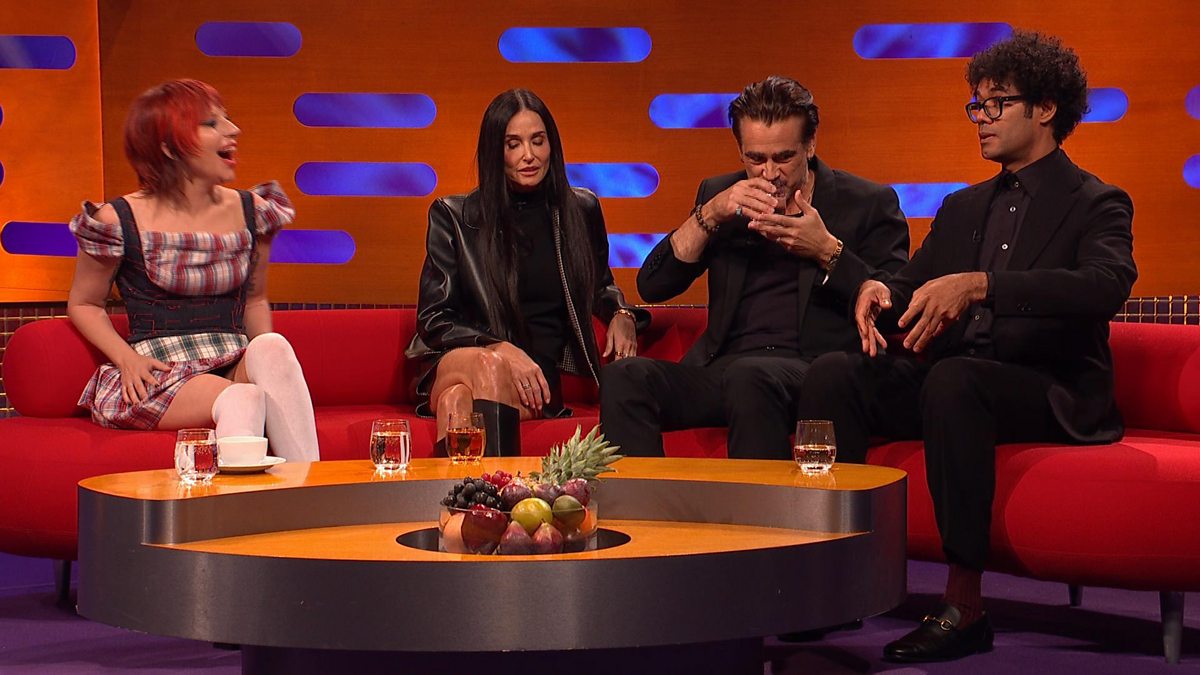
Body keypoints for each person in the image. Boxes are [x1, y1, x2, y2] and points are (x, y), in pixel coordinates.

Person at [798, 31, 1137, 662]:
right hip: (955, 379)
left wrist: (983, 286)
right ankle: (830, 576)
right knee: (834, 373)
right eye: (976, 104)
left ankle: (964, 606)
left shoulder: (1096, 201)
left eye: (996, 103)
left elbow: (1105, 284)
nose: (980, 117)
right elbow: (910, 284)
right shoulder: (962, 206)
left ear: (1046, 108)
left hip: (1046, 385)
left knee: (956, 381)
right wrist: (876, 290)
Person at [600, 76, 910, 459]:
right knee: (624, 378)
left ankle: (762, 502)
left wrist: (827, 250)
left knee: (751, 376)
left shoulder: (866, 202)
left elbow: (895, 306)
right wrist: (711, 214)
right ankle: (641, 501)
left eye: (784, 157)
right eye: (756, 159)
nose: (769, 173)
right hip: (722, 370)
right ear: (740, 151)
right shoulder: (722, 197)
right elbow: (653, 284)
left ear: (811, 145)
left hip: (812, 373)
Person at [67, 79, 319, 462]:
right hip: (161, 369)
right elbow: (85, 304)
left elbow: (255, 301)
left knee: (273, 346)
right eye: (211, 123)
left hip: (231, 357)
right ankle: (233, 499)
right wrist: (125, 358)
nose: (233, 130)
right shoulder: (117, 219)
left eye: (227, 119)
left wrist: (268, 374)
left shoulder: (254, 210)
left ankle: (310, 486)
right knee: (243, 397)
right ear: (168, 147)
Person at [406, 88, 648, 455]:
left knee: (457, 402)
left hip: (534, 381)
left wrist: (622, 313)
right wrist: (501, 348)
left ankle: (463, 490)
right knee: (488, 365)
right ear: (495, 151)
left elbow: (600, 284)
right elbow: (434, 318)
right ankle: (503, 488)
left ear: (552, 145)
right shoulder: (454, 217)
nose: (529, 155)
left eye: (538, 141)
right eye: (513, 144)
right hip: (462, 360)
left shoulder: (580, 211)